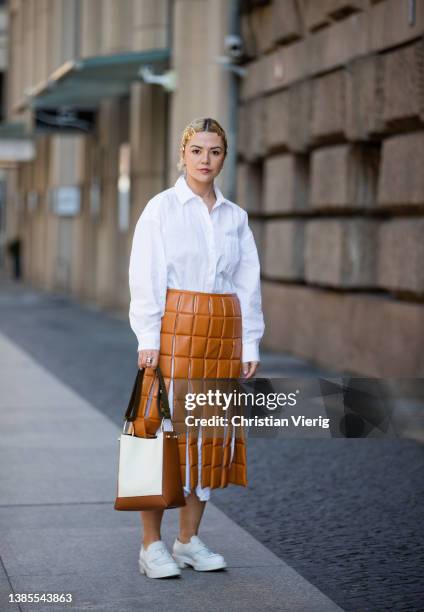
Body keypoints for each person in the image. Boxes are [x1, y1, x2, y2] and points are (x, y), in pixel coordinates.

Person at [128, 117, 265, 579]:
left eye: (215, 152)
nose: (206, 160)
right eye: (198, 151)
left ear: (224, 158)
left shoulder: (235, 217)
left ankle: (187, 541)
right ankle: (151, 547)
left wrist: (250, 340)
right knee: (161, 437)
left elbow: (247, 284)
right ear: (182, 155)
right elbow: (145, 275)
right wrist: (148, 339)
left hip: (222, 335)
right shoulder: (161, 209)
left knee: (208, 437)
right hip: (173, 332)